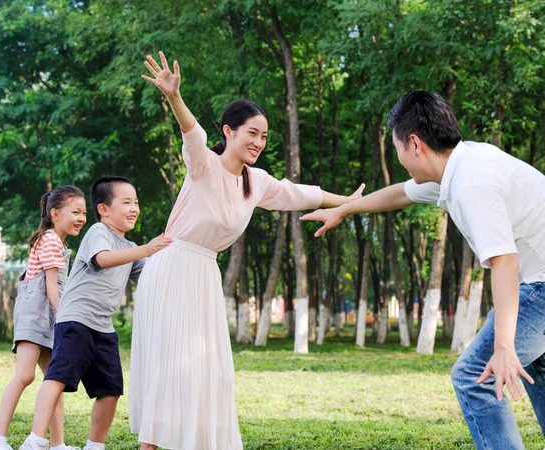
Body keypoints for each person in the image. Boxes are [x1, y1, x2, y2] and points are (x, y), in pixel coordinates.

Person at [129, 51, 364, 450]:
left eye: (264, 136)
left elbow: (301, 193)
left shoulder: (257, 183)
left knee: (212, 372)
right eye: (251, 132)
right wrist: (173, 96)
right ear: (229, 132)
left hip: (203, 273)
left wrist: (350, 203)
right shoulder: (204, 165)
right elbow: (192, 134)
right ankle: (151, 444)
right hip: (172, 265)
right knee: (174, 369)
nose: (259, 142)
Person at [301, 90, 545, 450]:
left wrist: (504, 346)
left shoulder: (469, 183)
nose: (398, 158)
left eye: (397, 148)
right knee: (537, 370)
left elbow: (504, 262)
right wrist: (345, 210)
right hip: (537, 279)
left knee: (473, 377)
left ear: (414, 143)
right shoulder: (463, 163)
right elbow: (401, 192)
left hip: (539, 286)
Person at [18, 176, 173, 450]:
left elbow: (152, 276)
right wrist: (147, 249)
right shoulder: (99, 233)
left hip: (103, 328)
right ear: (103, 209)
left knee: (110, 390)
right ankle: (36, 439)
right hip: (75, 319)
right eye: (126, 202)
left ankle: (95, 445)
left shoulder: (130, 249)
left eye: (136, 203)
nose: (134, 208)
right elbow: (103, 259)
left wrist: (177, 258)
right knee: (57, 377)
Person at [0, 186, 87, 450]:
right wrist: (68, 319)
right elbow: (51, 287)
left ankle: (58, 444)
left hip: (50, 314)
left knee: (55, 379)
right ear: (54, 213)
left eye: (83, 212)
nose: (81, 218)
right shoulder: (50, 239)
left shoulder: (59, 243)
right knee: (25, 375)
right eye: (75, 211)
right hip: (36, 312)